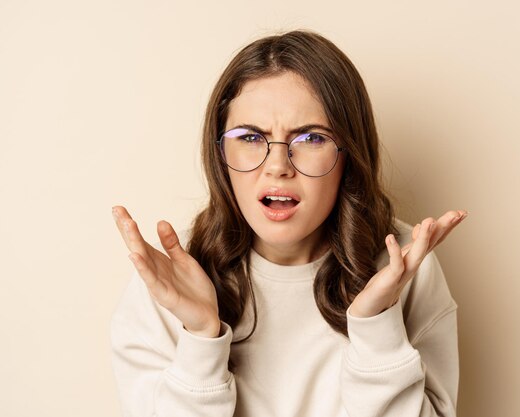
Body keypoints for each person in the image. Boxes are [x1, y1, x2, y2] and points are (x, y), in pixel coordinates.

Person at [110, 29, 467, 417]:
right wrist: (201, 339)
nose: (278, 166)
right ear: (219, 153)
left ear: (349, 154)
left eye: (311, 138)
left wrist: (377, 325)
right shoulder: (169, 278)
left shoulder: (403, 265)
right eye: (249, 136)